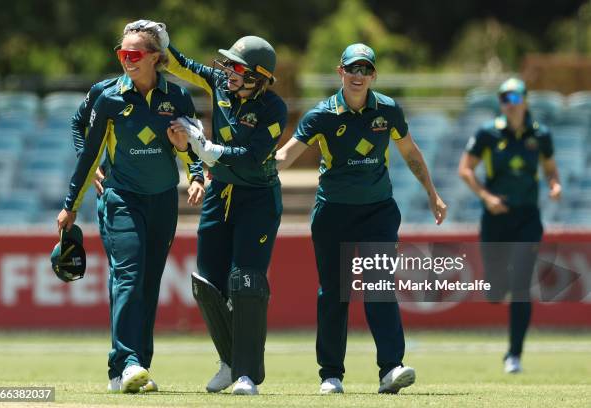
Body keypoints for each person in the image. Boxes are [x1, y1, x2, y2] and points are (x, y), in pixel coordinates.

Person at [276, 43, 447, 394]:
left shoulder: (387, 110)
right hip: (333, 214)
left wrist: (432, 193)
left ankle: (391, 369)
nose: (358, 75)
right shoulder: (321, 115)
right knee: (334, 294)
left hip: (378, 211)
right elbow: (287, 155)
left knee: (379, 286)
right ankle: (331, 375)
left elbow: (410, 152)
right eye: (352, 69)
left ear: (373, 75)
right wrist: (249, 169)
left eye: (364, 69)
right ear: (340, 71)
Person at [140, 23, 287, 395]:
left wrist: (208, 150)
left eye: (238, 69)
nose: (228, 72)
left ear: (258, 78)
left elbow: (254, 160)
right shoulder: (221, 84)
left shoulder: (273, 108)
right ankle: (229, 361)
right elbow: (180, 65)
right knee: (207, 284)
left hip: (257, 198)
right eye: (229, 66)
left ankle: (247, 374)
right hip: (220, 194)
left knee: (246, 281)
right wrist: (161, 42)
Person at [57, 21, 201, 393]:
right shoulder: (108, 97)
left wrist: (196, 173)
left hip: (163, 200)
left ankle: (130, 368)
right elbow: (88, 150)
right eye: (122, 54)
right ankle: (129, 362)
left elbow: (193, 142)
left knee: (148, 284)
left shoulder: (178, 97)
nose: (127, 60)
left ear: (156, 58)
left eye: (135, 54)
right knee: (129, 276)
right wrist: (71, 204)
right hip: (121, 197)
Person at [458, 78, 561, 374]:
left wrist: (555, 186)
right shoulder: (487, 134)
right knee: (494, 290)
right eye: (504, 98)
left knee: (521, 286)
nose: (509, 102)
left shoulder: (541, 135)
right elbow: (465, 169)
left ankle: (514, 355)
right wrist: (486, 197)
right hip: (495, 220)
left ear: (525, 100)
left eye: (515, 97)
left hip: (527, 218)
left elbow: (551, 170)